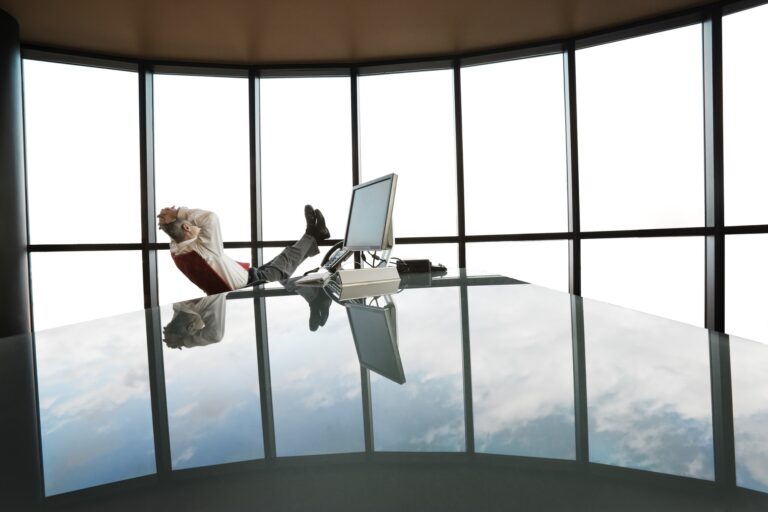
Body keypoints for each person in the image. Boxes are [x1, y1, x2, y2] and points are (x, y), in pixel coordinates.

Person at [157, 204, 330, 295]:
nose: (197, 227)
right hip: (254, 285)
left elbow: (175, 233)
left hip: (249, 277)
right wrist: (179, 213)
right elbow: (210, 218)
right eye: (193, 224)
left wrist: (170, 221)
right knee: (286, 260)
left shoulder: (177, 251)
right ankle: (313, 234)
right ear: (187, 228)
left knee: (283, 259)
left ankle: (315, 234)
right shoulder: (205, 249)